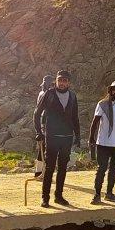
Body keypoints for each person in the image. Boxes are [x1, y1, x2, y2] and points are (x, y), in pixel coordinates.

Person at [33, 70, 80, 207]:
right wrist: (39, 132)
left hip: (67, 136)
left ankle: (58, 196)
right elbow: (37, 113)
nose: (62, 83)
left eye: (65, 80)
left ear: (69, 82)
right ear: (56, 81)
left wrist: (77, 135)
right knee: (49, 168)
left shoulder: (72, 96)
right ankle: (45, 198)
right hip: (52, 136)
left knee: (63, 168)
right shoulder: (49, 94)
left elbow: (75, 117)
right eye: (60, 80)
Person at [33, 74, 54, 179]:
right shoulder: (44, 94)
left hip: (46, 122)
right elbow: (39, 112)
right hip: (44, 123)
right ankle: (40, 172)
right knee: (44, 147)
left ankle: (39, 171)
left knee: (44, 147)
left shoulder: (44, 93)